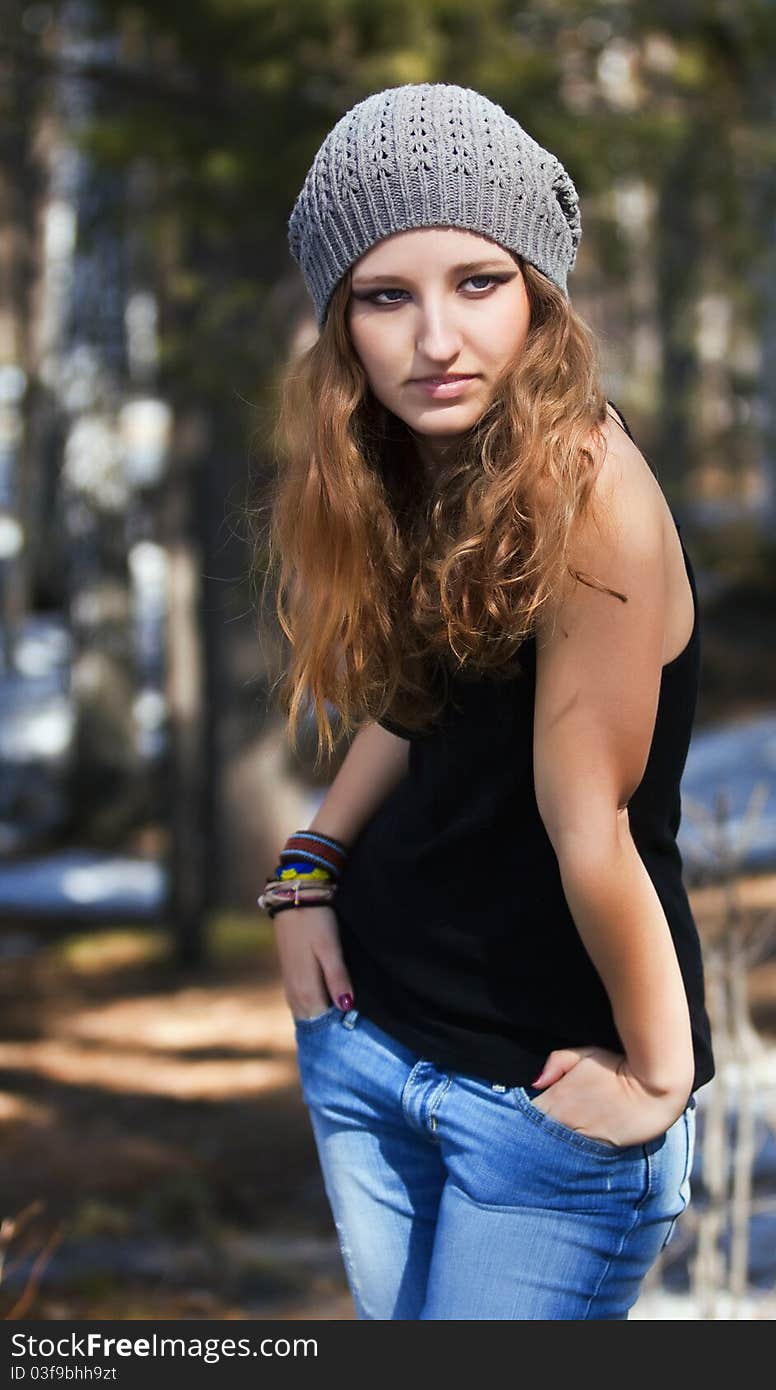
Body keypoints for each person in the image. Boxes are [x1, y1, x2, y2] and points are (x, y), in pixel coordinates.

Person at [259, 81, 714, 1320]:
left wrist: (662, 1075)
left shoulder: (589, 496)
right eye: (385, 296)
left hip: (538, 1096)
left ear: (540, 297)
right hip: (371, 1035)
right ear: (342, 324)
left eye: (477, 281)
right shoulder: (415, 458)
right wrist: (307, 868)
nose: (436, 340)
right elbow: (417, 705)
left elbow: (592, 822)